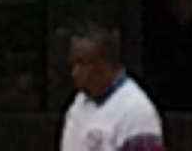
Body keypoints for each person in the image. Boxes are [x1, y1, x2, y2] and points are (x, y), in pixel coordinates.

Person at [62, 22, 163, 151]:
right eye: (72, 64)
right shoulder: (78, 104)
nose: (75, 72)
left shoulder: (136, 110)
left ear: (105, 64)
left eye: (82, 64)